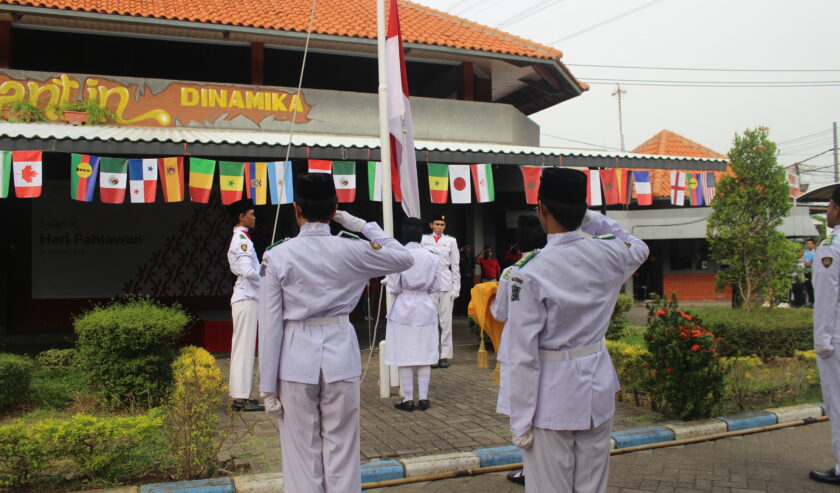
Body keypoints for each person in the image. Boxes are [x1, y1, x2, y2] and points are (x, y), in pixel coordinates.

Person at [257, 173, 414, 493]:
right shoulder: (352, 248)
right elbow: (403, 257)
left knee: (302, 454)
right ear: (335, 209)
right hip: (340, 354)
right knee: (342, 449)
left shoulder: (277, 254)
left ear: (296, 209)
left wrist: (267, 387)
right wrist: (361, 224)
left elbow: (270, 323)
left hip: (295, 357)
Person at [507, 168, 648, 493]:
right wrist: (592, 219)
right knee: (592, 486)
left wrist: (520, 422)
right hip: (597, 387)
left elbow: (523, 357)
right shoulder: (611, 252)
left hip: (552, 397)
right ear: (583, 210)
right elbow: (638, 246)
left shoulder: (529, 271)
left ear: (541, 208)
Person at [491, 214, 547, 486]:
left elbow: (500, 313)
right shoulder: (555, 266)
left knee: (523, 410)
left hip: (518, 348)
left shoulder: (513, 272)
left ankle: (529, 469)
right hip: (549, 348)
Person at [384, 217, 440, 412]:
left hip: (403, 306)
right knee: (425, 353)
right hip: (425, 304)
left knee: (404, 353)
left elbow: (393, 287)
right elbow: (436, 286)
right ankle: (423, 398)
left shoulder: (398, 255)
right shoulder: (432, 256)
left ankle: (407, 398)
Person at [809, 186, 840, 486]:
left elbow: (826, 299)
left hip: (836, 337)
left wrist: (822, 342)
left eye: (830, 206)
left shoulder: (831, 248)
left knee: (837, 401)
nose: (828, 211)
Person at [226, 198, 264, 412]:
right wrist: (267, 275)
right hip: (246, 297)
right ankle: (240, 397)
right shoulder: (240, 240)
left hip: (249, 297)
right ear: (242, 217)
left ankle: (242, 395)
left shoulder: (243, 238)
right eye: (251, 213)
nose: (254, 217)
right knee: (244, 348)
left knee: (245, 347)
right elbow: (246, 270)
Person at [421, 213, 460, 369]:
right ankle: (432, 355)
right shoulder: (423, 240)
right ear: (431, 225)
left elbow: (455, 265)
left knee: (445, 322)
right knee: (431, 321)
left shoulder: (450, 241)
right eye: (437, 224)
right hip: (429, 282)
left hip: (445, 282)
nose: (439, 227)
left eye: (442, 225)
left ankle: (444, 355)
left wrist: (456, 287)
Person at [455, 243, 474, 316]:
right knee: (462, 295)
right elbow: (454, 257)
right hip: (462, 279)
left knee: (469, 295)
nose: (467, 249)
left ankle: (468, 312)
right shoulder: (461, 257)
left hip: (470, 279)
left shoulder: (471, 257)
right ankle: (461, 312)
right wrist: (460, 250)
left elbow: (472, 268)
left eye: (469, 248)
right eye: (466, 248)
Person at [804, 238, 817, 306]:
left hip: (813, 271)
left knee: (813, 286)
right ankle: (810, 301)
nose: (808, 245)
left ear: (813, 244)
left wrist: (810, 264)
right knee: (807, 287)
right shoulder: (805, 252)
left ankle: (814, 301)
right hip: (806, 271)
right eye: (807, 244)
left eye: (810, 244)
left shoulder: (815, 252)